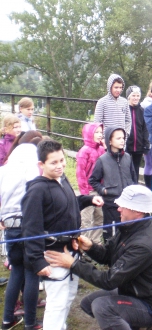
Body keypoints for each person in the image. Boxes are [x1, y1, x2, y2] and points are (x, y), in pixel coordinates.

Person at [44, 185, 152, 330]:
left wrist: (73, 264)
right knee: (88, 303)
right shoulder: (128, 228)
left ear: (138, 212)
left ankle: (143, 321)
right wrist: (90, 247)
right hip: (131, 292)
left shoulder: (143, 244)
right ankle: (133, 324)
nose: (118, 209)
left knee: (102, 307)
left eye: (123, 206)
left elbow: (109, 280)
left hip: (150, 305)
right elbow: (107, 256)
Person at [21, 139, 104, 330]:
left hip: (72, 251)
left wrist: (89, 199)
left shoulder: (62, 179)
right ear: (41, 165)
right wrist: (37, 260)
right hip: (53, 256)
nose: (60, 166)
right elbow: (30, 227)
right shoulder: (36, 190)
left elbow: (69, 203)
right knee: (57, 303)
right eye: (54, 162)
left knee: (68, 296)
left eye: (61, 160)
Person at [1, 142, 42, 330]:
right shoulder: (32, 173)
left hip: (10, 228)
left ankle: (7, 319)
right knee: (32, 272)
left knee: (16, 271)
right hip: (28, 226)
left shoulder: (3, 172)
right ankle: (30, 322)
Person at [89, 126, 138, 242]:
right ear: (109, 141)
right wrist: (103, 190)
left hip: (128, 203)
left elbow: (134, 178)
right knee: (111, 234)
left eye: (123, 138)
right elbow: (93, 180)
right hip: (111, 204)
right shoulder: (102, 160)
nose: (122, 140)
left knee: (128, 232)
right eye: (118, 138)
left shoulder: (128, 158)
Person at [76, 123, 106, 244]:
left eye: (100, 132)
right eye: (96, 132)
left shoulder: (101, 149)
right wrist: (84, 192)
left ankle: (95, 242)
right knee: (86, 219)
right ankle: (83, 244)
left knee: (100, 217)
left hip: (99, 189)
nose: (99, 135)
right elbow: (80, 173)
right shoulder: (84, 151)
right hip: (88, 190)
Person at [125, 85, 150, 175]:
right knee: (126, 168)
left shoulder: (142, 111)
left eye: (137, 96)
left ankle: (135, 186)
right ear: (129, 97)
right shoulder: (124, 110)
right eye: (133, 96)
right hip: (127, 145)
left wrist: (146, 145)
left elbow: (145, 129)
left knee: (136, 169)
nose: (136, 98)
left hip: (139, 145)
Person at [140, 80, 152, 189]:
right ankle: (150, 188)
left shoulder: (145, 103)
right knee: (150, 164)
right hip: (149, 138)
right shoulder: (147, 104)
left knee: (150, 164)